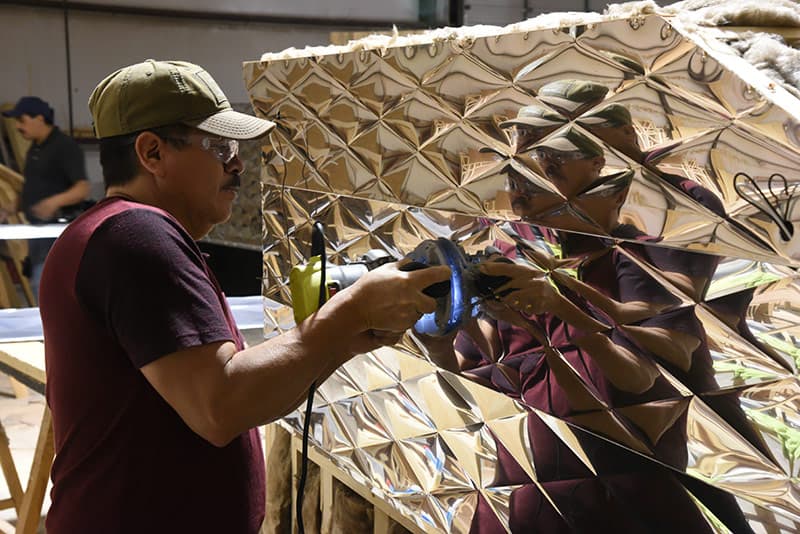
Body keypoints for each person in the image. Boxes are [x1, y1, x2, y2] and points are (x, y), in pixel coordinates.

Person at [38, 59, 451, 534]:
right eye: (218, 147)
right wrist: (349, 313)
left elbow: (232, 391)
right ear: (152, 153)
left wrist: (346, 336)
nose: (236, 163)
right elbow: (221, 408)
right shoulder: (136, 236)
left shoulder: (109, 234)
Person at [2, 96, 91, 299]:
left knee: (49, 287)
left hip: (56, 233)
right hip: (37, 234)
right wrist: (10, 208)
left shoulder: (64, 147)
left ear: (39, 119)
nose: (17, 127)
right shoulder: (35, 149)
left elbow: (82, 188)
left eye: (22, 120)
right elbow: (31, 188)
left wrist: (53, 203)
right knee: (38, 285)